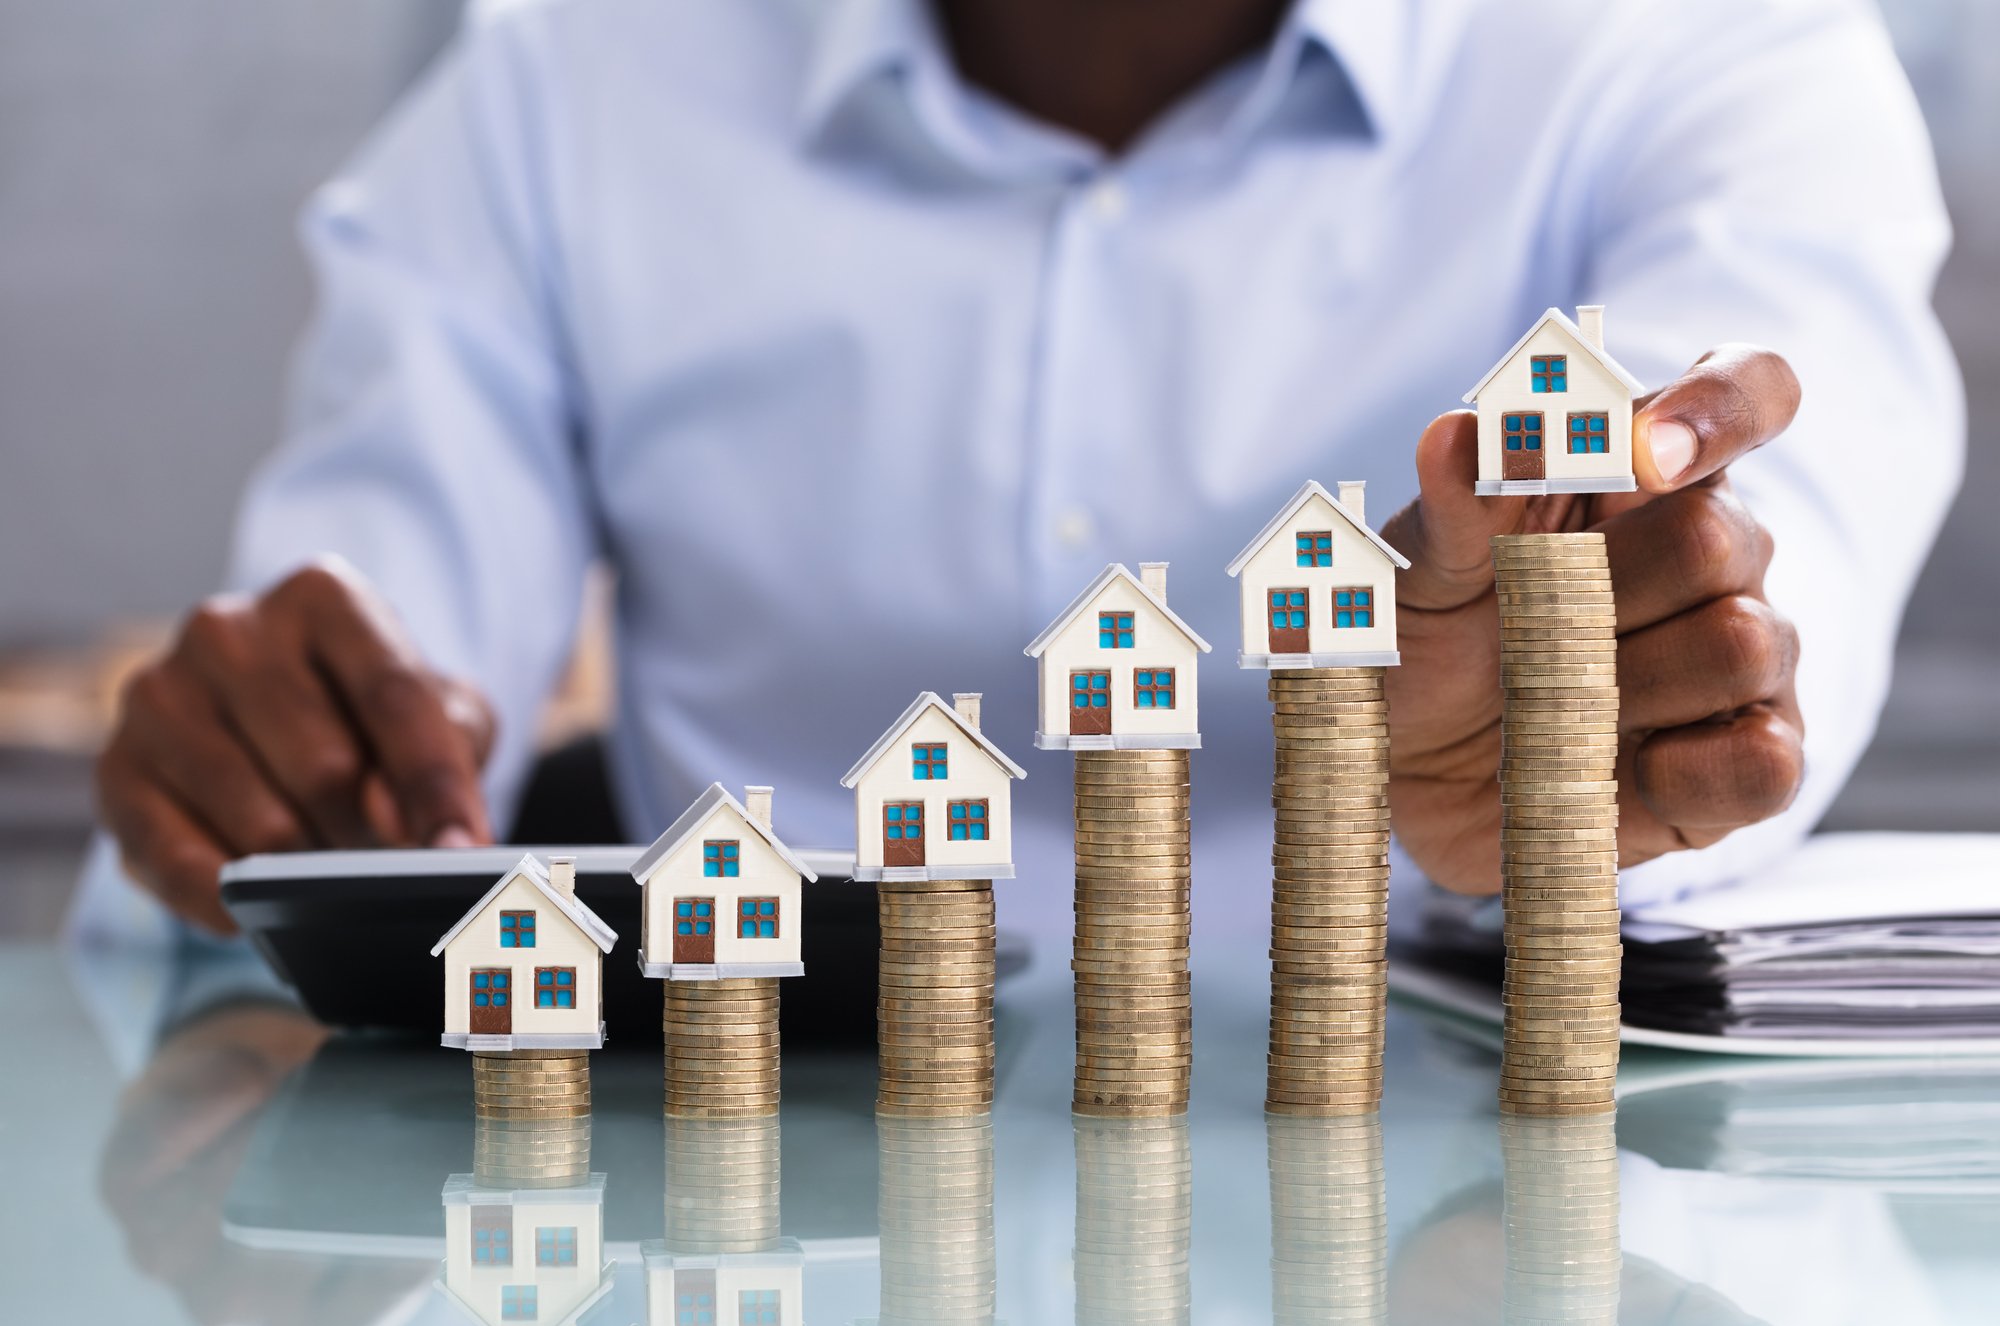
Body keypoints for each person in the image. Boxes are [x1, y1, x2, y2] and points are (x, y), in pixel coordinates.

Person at [91, 0, 1961, 937]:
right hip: (754, 1215)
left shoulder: (1698, 44)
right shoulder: (564, 74)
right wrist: (285, 769)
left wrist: (1634, 681)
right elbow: (373, 673)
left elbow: (1770, 529)